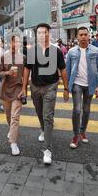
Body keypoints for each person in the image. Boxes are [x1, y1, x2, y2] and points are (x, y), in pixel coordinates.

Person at [22, 23, 69, 165]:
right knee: (39, 112)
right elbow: (26, 70)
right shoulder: (32, 51)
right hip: (35, 86)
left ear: (49, 33)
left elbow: (63, 70)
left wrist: (66, 89)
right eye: (40, 33)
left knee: (48, 116)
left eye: (45, 32)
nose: (42, 35)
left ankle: (47, 150)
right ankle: (43, 129)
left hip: (50, 86)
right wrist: (24, 87)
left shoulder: (57, 51)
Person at [66, 27, 98, 149]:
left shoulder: (96, 51)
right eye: (81, 35)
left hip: (91, 84)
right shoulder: (71, 52)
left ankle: (82, 131)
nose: (83, 37)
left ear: (89, 36)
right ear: (77, 37)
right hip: (76, 83)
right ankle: (76, 135)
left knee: (86, 109)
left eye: (85, 34)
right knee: (77, 110)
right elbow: (67, 70)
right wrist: (67, 88)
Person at [0, 34, 25, 156]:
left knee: (15, 117)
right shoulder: (5, 56)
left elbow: (26, 74)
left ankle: (13, 142)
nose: (18, 43)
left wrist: (25, 88)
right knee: (8, 115)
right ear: (11, 43)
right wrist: (7, 72)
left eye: (19, 41)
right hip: (6, 89)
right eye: (16, 41)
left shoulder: (23, 57)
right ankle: (11, 131)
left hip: (18, 89)